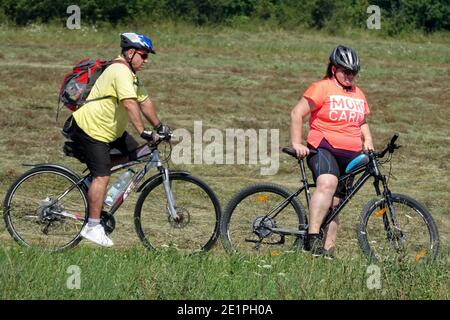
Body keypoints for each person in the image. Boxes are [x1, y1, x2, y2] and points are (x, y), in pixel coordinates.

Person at [67, 32, 170, 247]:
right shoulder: (119, 71)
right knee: (102, 176)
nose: (146, 60)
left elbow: (145, 101)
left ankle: (90, 183)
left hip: (110, 131)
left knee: (136, 155)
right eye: (144, 55)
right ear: (130, 53)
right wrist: (143, 131)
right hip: (91, 129)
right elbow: (130, 103)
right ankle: (93, 226)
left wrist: (160, 127)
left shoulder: (131, 75)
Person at [290, 45, 374, 257]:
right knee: (327, 184)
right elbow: (297, 113)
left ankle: (327, 254)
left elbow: (361, 121)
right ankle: (312, 236)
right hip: (323, 147)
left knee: (336, 204)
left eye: (354, 72)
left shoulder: (358, 94)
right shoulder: (321, 87)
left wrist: (369, 140)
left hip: (351, 155)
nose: (350, 76)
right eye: (346, 71)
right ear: (334, 69)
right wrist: (297, 143)